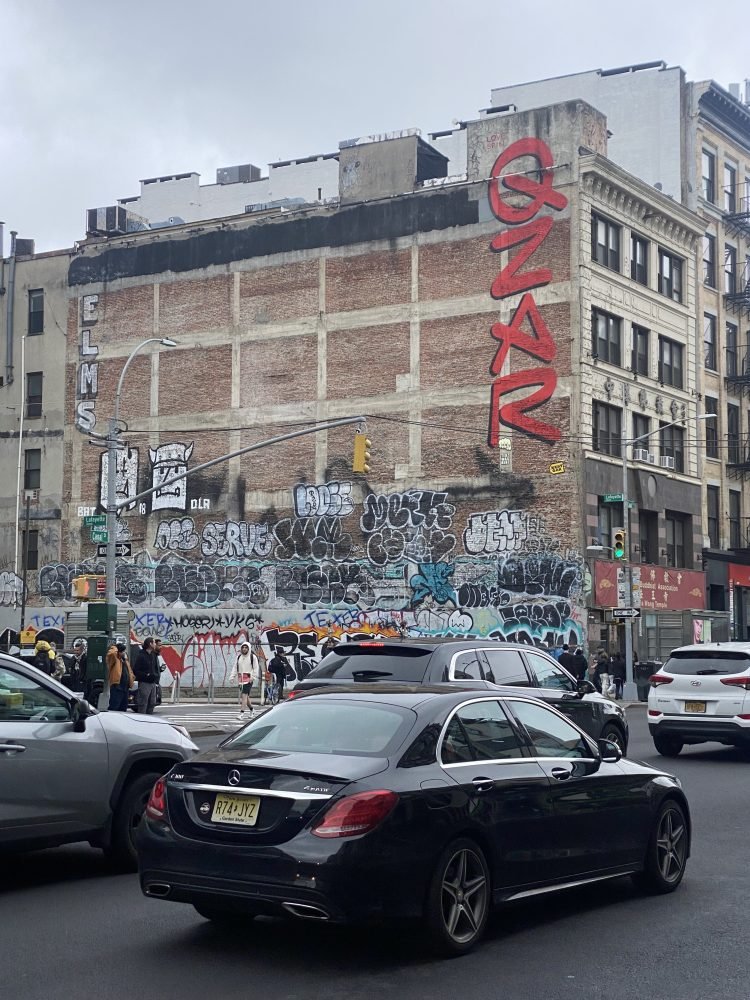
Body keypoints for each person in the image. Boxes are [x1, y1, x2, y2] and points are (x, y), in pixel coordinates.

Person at [231, 642, 258, 719]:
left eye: (246, 647)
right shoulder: (239, 657)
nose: (244, 649)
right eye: (243, 647)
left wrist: (253, 677)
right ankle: (252, 710)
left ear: (249, 648)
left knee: (244, 696)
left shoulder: (253, 657)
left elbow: (256, 668)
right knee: (246, 697)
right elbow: (235, 667)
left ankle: (241, 713)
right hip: (240, 679)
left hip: (248, 679)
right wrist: (232, 677)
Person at [133, 637, 160, 714]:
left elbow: (156, 667)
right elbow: (136, 670)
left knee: (152, 702)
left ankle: (149, 718)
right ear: (150, 644)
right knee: (143, 703)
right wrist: (146, 675)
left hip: (153, 682)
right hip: (144, 682)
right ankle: (142, 719)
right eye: (154, 642)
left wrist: (156, 675)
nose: (155, 644)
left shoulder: (153, 655)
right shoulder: (141, 655)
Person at [107, 642, 134, 711]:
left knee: (123, 707)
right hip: (117, 687)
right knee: (114, 706)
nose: (124, 653)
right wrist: (115, 647)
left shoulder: (124, 660)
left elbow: (129, 671)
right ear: (118, 652)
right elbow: (112, 653)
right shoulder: (115, 659)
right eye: (122, 651)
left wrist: (132, 678)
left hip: (125, 687)